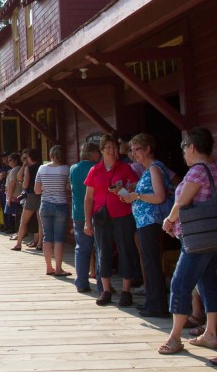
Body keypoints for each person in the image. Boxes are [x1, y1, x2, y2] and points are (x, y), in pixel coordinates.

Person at [159, 127, 217, 355]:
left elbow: (182, 203)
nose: (184, 155)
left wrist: (169, 221)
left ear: (192, 147)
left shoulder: (197, 172)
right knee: (208, 284)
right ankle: (211, 333)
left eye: (184, 150)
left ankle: (174, 338)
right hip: (211, 236)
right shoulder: (214, 169)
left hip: (196, 240)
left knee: (179, 284)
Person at [84, 134, 140, 307]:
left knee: (126, 250)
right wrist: (87, 221)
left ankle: (125, 291)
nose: (112, 150)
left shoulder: (125, 168)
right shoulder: (95, 170)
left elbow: (136, 188)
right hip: (101, 216)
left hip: (122, 214)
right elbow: (88, 198)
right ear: (101, 150)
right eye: (108, 147)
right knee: (103, 251)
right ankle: (106, 290)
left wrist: (124, 189)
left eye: (114, 147)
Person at [121, 133, 171, 317]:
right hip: (145, 222)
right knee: (148, 263)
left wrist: (137, 196)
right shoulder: (149, 169)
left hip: (151, 222)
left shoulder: (154, 169)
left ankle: (157, 306)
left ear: (148, 149)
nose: (134, 154)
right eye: (132, 150)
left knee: (151, 263)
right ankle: (152, 301)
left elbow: (159, 196)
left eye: (137, 149)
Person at [70, 142, 101, 293]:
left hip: (78, 213)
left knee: (82, 249)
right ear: (92, 153)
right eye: (98, 152)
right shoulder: (96, 168)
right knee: (100, 248)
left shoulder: (73, 168)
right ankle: (102, 284)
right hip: (96, 212)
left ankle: (81, 283)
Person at [35, 145, 71, 276]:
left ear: (50, 155)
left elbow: (37, 190)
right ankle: (58, 268)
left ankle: (49, 267)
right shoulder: (66, 169)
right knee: (59, 238)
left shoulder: (42, 168)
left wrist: (46, 188)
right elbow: (68, 187)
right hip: (60, 205)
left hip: (45, 205)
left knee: (47, 237)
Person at [11, 148, 42, 250]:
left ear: (30, 157)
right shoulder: (42, 167)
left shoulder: (29, 168)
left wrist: (24, 185)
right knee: (40, 221)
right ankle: (40, 243)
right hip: (42, 195)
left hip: (31, 195)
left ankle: (18, 243)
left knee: (23, 221)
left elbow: (25, 183)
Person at [4, 153, 23, 235]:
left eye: (10, 160)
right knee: (16, 215)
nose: (8, 162)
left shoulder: (14, 170)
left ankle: (16, 231)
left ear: (16, 160)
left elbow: (12, 184)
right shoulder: (19, 169)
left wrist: (10, 197)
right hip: (18, 196)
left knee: (14, 215)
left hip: (14, 196)